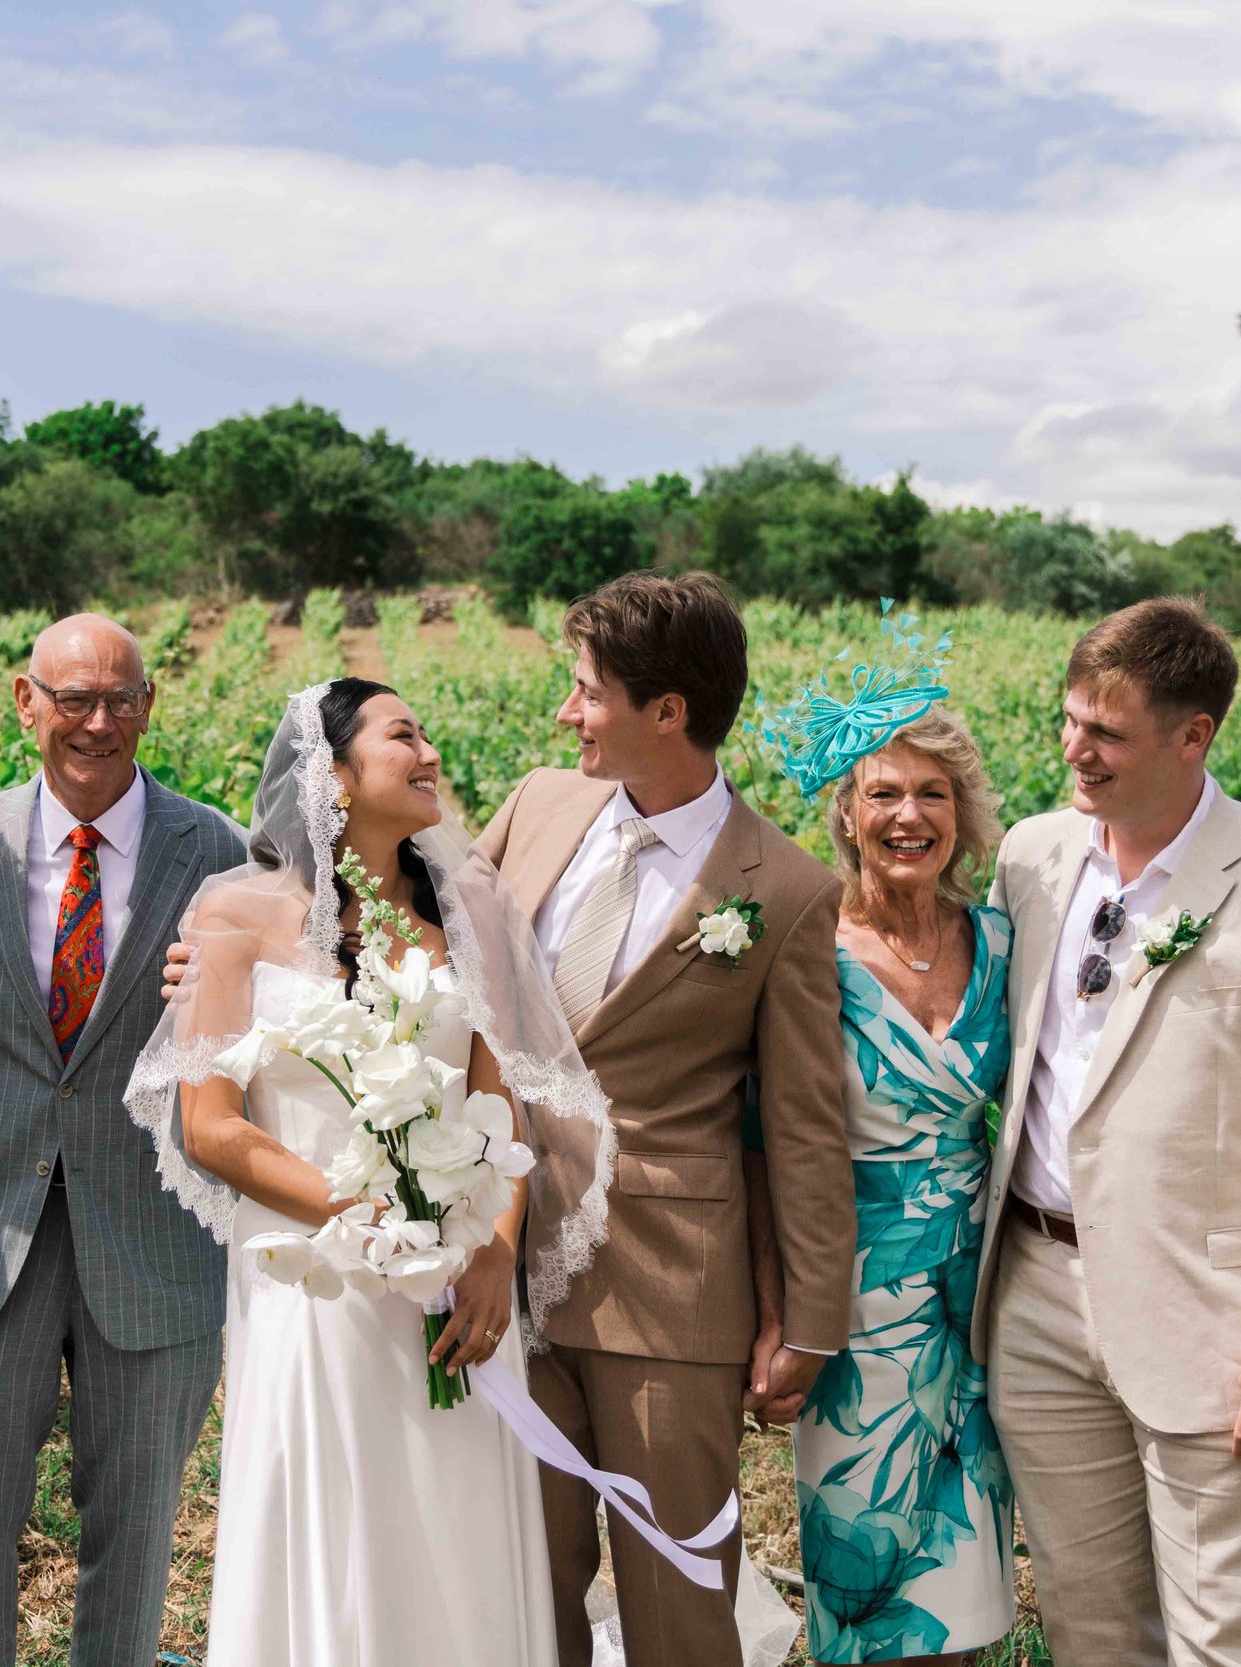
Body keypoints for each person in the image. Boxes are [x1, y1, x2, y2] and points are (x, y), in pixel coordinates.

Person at [127, 678, 616, 1667]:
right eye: (403, 735)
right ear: (334, 775)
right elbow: (213, 1124)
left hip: (459, 1280)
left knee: (456, 1515)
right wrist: (372, 1216)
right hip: (314, 1276)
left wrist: (494, 1246)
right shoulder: (235, 911)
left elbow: (499, 1105)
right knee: (341, 1514)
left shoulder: (469, 910)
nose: (429, 750)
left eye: (427, 731)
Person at [974, 597, 1241, 1665]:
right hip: (1032, 1292)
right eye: (1068, 719)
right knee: (1085, 1616)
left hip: (1209, 1322)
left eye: (1105, 732)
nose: (1074, 748)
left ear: (1192, 733)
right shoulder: (1031, 856)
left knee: (1224, 1633)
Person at [473, 572, 853, 1666]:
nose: (565, 712)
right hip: (499, 1262)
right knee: (517, 1578)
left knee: (676, 1591)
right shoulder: (540, 804)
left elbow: (803, 1125)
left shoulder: (781, 889)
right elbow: (425, 939)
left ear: (668, 711)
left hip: (668, 1291)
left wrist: (807, 1318)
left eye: (586, 691)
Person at [0, 615, 249, 1667]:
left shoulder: (217, 851)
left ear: (150, 704)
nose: (96, 722)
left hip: (153, 1246)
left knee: (137, 1535)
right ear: (26, 701)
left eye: (119, 699)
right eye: (72, 699)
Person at [753, 664, 1017, 1660]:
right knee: (865, 1600)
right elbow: (756, 1144)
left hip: (978, 1300)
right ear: (847, 815)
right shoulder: (804, 950)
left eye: (933, 792)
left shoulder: (1000, 942)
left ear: (965, 814)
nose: (909, 814)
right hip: (849, 1306)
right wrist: (778, 1314)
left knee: (969, 1589)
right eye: (884, 792)